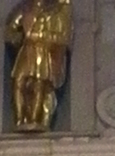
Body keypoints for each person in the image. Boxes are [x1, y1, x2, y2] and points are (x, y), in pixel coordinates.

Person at [5, 0, 73, 132]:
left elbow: (62, 38)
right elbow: (10, 31)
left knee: (39, 84)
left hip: (42, 52)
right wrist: (18, 39)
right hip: (26, 51)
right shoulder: (23, 9)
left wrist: (39, 36)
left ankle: (35, 119)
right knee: (18, 83)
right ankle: (20, 119)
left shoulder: (54, 11)